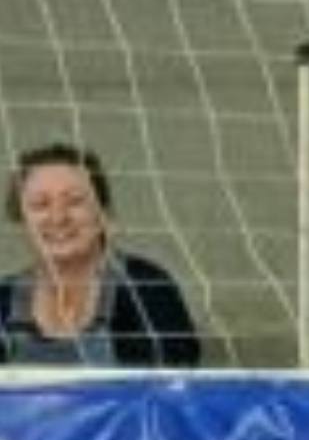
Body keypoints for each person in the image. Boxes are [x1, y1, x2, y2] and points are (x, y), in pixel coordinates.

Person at [3, 143, 206, 368]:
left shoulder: (145, 287)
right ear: (21, 220)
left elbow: (171, 385)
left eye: (75, 201)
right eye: (41, 205)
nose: (58, 218)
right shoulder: (4, 298)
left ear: (104, 213)